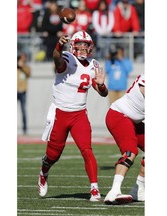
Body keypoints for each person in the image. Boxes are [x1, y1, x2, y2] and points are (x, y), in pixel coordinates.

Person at [37, 30, 108, 202]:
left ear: (90, 47)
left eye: (86, 46)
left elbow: (103, 93)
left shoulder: (94, 65)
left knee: (86, 150)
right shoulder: (67, 58)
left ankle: (94, 189)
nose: (83, 49)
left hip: (79, 114)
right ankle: (44, 172)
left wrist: (102, 85)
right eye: (80, 45)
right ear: (73, 46)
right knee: (53, 155)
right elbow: (57, 60)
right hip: (60, 113)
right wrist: (58, 46)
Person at [104, 73, 145, 205]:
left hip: (134, 120)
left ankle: (139, 190)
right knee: (130, 151)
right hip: (119, 115)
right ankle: (114, 191)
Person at [17, 53, 31, 135]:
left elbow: (28, 74)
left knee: (23, 110)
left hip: (23, 91)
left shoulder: (26, 67)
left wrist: (22, 66)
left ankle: (24, 129)